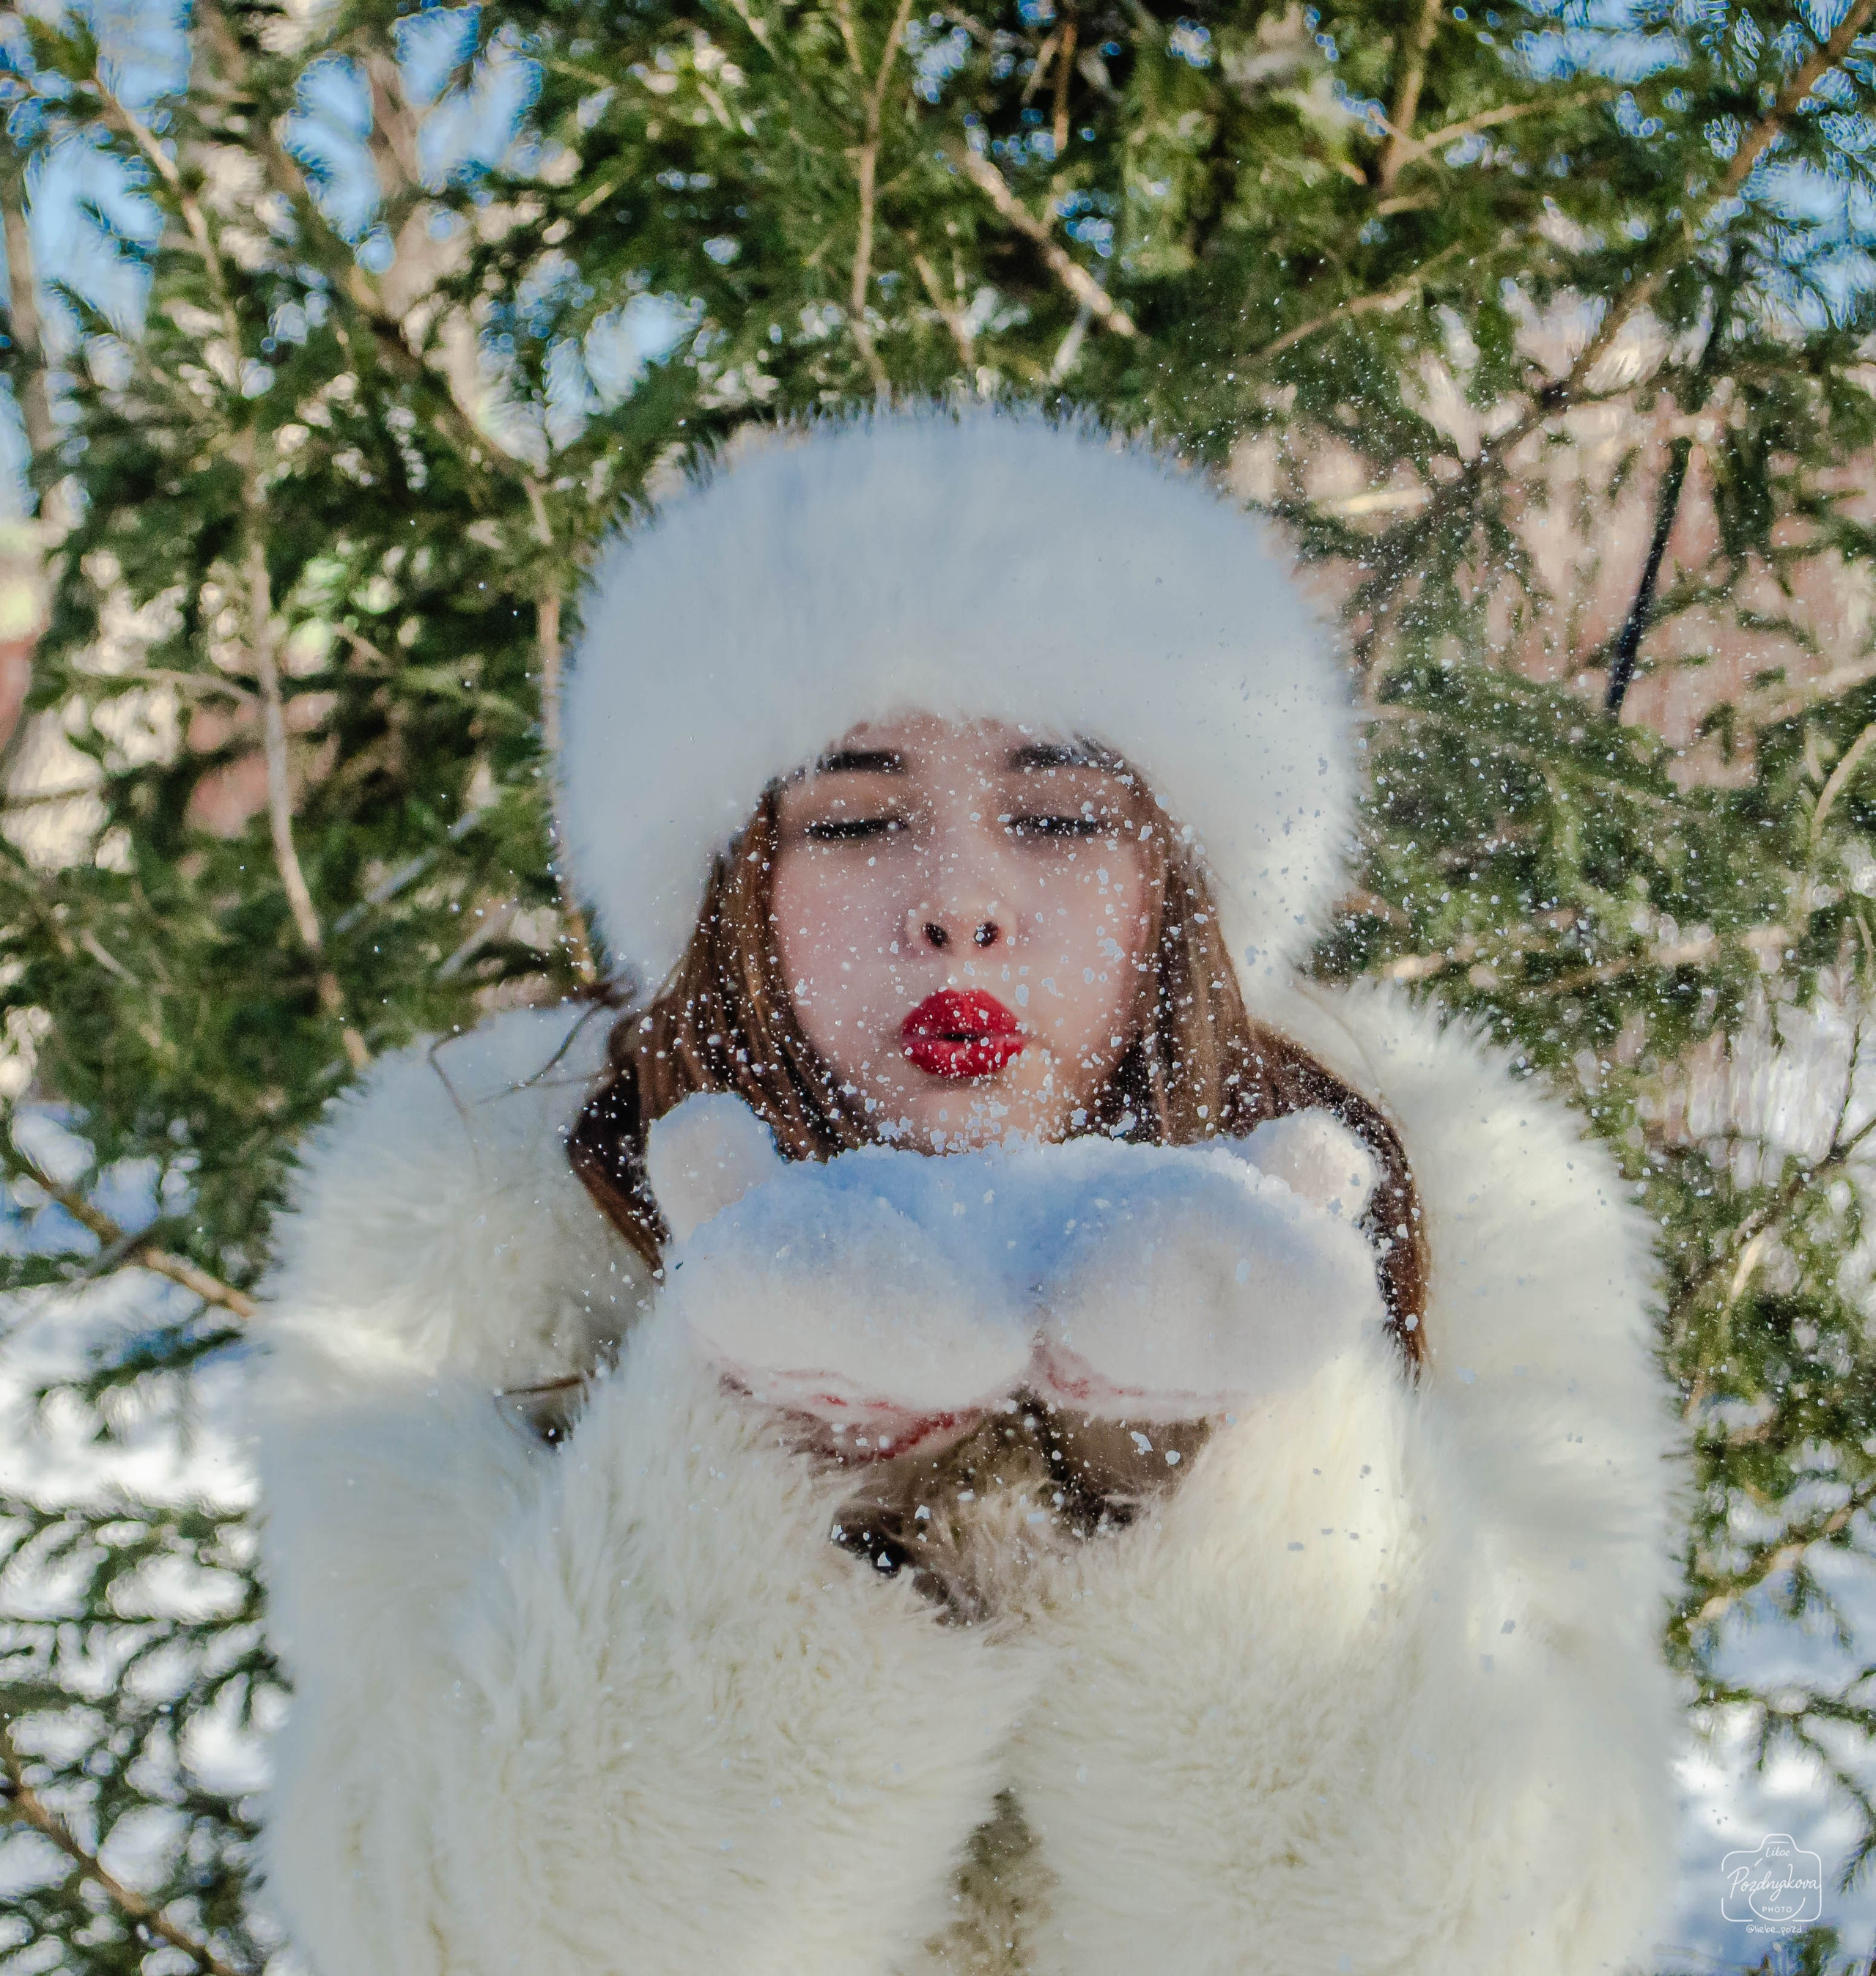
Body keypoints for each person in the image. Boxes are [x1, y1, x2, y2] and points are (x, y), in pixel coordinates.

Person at [251, 407, 1684, 1976]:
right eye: (856, 818)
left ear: (1174, 891)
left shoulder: (1450, 1214)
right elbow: (451, 1937)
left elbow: (1510, 1932)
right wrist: (767, 1445)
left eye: (1059, 816)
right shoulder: (482, 1233)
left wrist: (1227, 1469)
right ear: (734, 894)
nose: (958, 906)